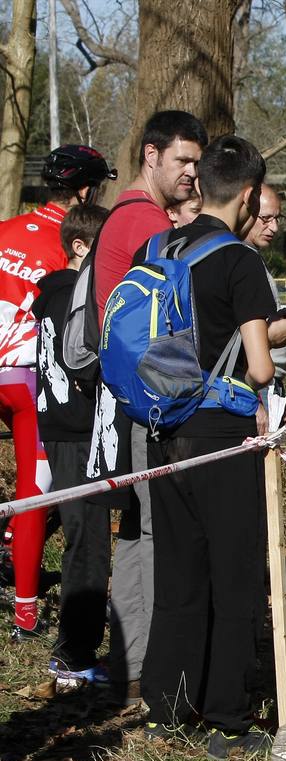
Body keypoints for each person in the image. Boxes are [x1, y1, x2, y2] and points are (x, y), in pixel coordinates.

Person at [137, 135, 277, 758]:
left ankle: (167, 707)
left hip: (163, 427)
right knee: (234, 574)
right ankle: (226, 715)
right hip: (222, 435)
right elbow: (261, 367)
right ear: (248, 195)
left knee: (180, 571)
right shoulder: (239, 262)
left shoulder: (161, 244)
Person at [89, 110, 207, 699]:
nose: (191, 172)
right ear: (150, 155)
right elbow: (168, 325)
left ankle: (131, 667)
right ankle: (154, 671)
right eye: (182, 160)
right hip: (148, 400)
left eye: (197, 162)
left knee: (139, 531)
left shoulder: (129, 219)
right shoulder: (142, 225)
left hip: (129, 399)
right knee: (159, 531)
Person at [0, 144, 115, 640]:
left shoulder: (4, 229)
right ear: (86, 190)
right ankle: (26, 612)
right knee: (34, 489)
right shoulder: (77, 245)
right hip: (31, 379)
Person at [34, 203, 111, 682]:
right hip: (75, 430)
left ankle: (79, 645)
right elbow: (80, 366)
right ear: (80, 247)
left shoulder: (55, 294)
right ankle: (73, 654)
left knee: (86, 537)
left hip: (68, 430)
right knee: (87, 543)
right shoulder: (69, 299)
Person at [243, 184, 286, 380]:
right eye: (266, 218)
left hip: (269, 384)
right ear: (244, 211)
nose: (275, 227)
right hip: (252, 388)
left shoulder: (254, 257)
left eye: (277, 219)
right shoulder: (238, 262)